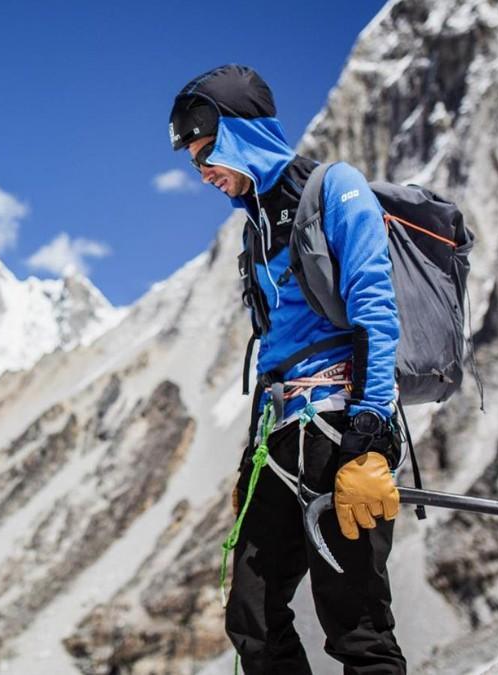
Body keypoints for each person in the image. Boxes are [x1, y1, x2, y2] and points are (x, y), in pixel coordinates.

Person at [169, 64, 406, 673]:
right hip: (279, 438)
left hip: (341, 432)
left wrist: (372, 440)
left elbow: (376, 313)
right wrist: (251, 458)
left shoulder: (337, 188)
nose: (203, 173)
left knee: (356, 625)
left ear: (240, 133)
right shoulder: (255, 227)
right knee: (251, 613)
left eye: (207, 152)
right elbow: (270, 351)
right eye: (194, 162)